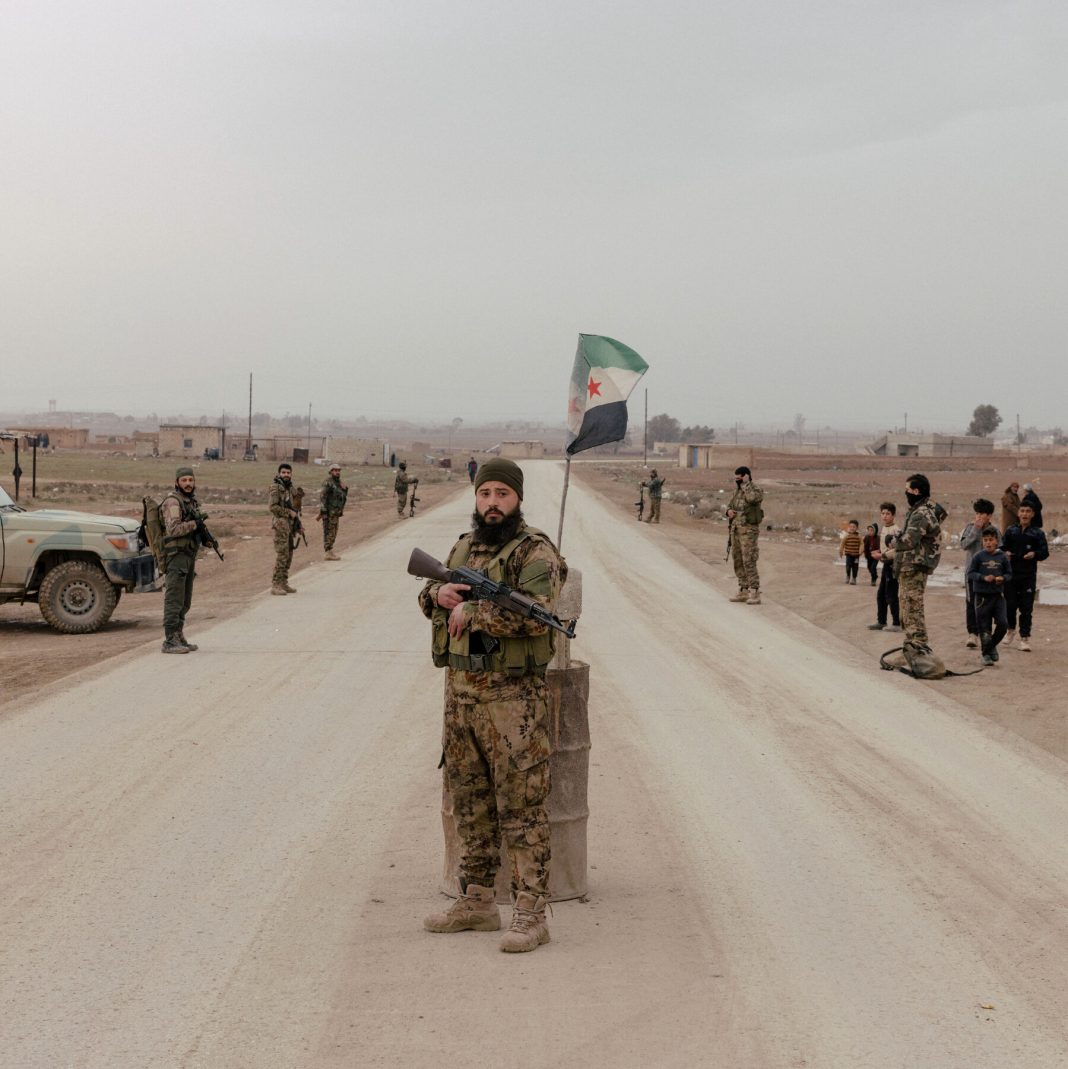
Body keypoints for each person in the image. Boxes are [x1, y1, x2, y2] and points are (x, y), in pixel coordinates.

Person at [418, 458, 566, 954]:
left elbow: (538, 616)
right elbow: (428, 595)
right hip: (461, 699)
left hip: (513, 705)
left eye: (503, 493)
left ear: (518, 498)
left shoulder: (536, 551)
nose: (493, 503)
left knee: (522, 808)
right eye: (485, 494)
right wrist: (438, 593)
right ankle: (477, 901)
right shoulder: (464, 546)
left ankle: (531, 913)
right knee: (470, 803)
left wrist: (475, 610)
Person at [894, 473, 947, 656]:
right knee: (907, 610)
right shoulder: (921, 510)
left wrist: (892, 541)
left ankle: (918, 652)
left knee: (912, 609)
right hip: (913, 565)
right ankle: (910, 652)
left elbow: (909, 541)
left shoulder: (920, 513)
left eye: (907, 489)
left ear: (916, 491)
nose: (905, 493)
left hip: (914, 567)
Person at [160, 466, 204, 653]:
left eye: (190, 480)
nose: (188, 483)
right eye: (184, 480)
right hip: (176, 556)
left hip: (188, 555)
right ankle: (170, 640)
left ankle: (179, 635)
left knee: (185, 600)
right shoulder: (173, 502)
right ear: (177, 482)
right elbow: (173, 529)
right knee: (174, 599)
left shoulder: (191, 502)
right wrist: (195, 524)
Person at [1000, 502, 1049, 652]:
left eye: (1028, 511)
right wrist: (1005, 553)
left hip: (1028, 576)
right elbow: (1002, 547)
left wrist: (1035, 554)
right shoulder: (1011, 530)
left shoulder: (1037, 533)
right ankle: (1010, 630)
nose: (1025, 514)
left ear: (1032, 514)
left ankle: (1024, 638)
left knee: (1026, 608)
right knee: (1010, 605)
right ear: (1018, 513)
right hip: (1011, 575)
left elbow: (1045, 552)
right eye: (1022, 511)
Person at [967, 528, 1011, 666]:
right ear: (982, 541)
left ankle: (990, 647)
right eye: (985, 540)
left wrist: (1002, 578)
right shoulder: (978, 556)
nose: (988, 543)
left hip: (998, 596)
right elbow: (970, 573)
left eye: (991, 540)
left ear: (997, 541)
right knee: (984, 629)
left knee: (1003, 625)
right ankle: (985, 655)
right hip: (981, 597)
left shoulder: (1002, 557)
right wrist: (983, 577)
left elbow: (1009, 574)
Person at [959, 499, 1000, 648]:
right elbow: (964, 545)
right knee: (971, 603)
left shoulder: (994, 531)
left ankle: (985, 633)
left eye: (982, 513)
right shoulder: (970, 528)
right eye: (977, 513)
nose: (979, 516)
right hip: (972, 573)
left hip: (988, 575)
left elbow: (1000, 551)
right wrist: (976, 530)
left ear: (989, 516)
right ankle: (972, 634)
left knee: (987, 604)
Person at [726, 466, 764, 604]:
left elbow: (752, 499)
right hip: (736, 530)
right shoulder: (736, 491)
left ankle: (754, 592)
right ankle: (743, 590)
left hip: (748, 531)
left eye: (739, 478)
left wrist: (747, 484)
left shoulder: (755, 489)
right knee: (738, 560)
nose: (737, 481)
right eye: (736, 478)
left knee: (749, 560)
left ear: (746, 476)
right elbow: (730, 505)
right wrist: (728, 512)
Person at [868, 502, 902, 632]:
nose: (885, 516)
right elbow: (887, 547)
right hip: (886, 564)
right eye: (882, 513)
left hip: (893, 565)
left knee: (891, 594)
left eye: (888, 513)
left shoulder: (896, 530)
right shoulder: (884, 528)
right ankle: (881, 621)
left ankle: (896, 623)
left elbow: (897, 550)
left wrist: (881, 555)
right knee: (881, 594)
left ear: (893, 515)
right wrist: (879, 551)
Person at [269, 463, 299, 595]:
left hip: (290, 525)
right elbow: (273, 507)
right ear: (279, 473)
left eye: (288, 473)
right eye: (283, 472)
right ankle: (276, 585)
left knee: (289, 554)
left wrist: (298, 525)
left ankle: (283, 583)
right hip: (281, 524)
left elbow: (295, 509)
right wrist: (288, 513)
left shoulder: (290, 488)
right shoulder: (275, 488)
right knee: (282, 554)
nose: (286, 475)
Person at [318, 461, 348, 561]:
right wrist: (323, 512)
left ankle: (329, 551)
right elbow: (322, 497)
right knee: (329, 532)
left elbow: (342, 496)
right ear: (330, 472)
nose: (337, 472)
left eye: (338, 470)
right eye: (335, 470)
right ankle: (328, 553)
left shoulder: (338, 482)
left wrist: (345, 489)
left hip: (335, 512)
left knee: (334, 531)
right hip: (329, 513)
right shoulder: (328, 482)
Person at [838, 520, 863, 585]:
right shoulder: (846, 536)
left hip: (856, 555)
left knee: (855, 567)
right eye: (851, 527)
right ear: (849, 527)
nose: (852, 528)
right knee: (848, 566)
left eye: (854, 527)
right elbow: (842, 544)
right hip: (848, 555)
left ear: (857, 528)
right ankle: (848, 576)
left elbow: (862, 544)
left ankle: (854, 578)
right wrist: (840, 551)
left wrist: (861, 550)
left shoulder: (859, 537)